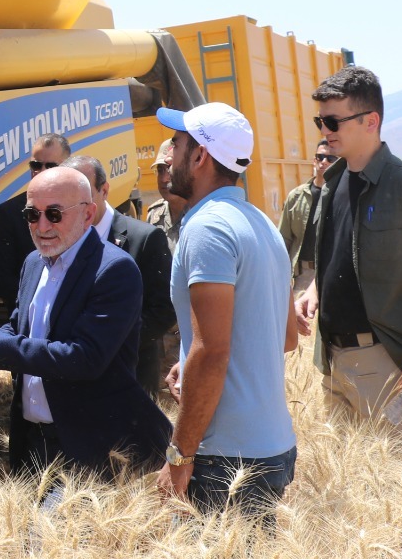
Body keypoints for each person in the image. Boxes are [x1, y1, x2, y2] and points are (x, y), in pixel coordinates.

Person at [0, 168, 171, 478]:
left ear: (88, 213)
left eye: (54, 214)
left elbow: (84, 358)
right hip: (32, 445)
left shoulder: (114, 270)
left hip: (93, 445)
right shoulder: (32, 263)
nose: (41, 226)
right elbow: (18, 328)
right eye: (32, 214)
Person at [296, 66, 402, 440]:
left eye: (333, 122)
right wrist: (313, 292)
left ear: (370, 121)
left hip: (386, 361)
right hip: (331, 360)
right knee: (346, 490)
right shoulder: (332, 183)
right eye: (319, 121)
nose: (324, 131)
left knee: (395, 486)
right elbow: (341, 256)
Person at [152, 103, 297, 522]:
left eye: (178, 144)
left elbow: (212, 350)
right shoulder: (261, 223)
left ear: (199, 158)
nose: (169, 156)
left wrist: (180, 456)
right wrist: (188, 364)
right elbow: (286, 337)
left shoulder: (206, 228)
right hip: (272, 444)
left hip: (224, 457)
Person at [62, 153, 175, 399]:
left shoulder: (143, 239)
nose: (76, 205)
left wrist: (110, 341)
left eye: (84, 194)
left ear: (104, 190)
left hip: (130, 376)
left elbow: (164, 309)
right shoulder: (60, 241)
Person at [0, 133, 71, 327]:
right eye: (35, 165)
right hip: (26, 322)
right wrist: (41, 297)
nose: (41, 171)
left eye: (50, 166)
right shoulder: (9, 213)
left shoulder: (78, 210)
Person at [279, 140, 334, 303]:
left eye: (331, 158)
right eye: (320, 156)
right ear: (314, 159)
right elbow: (283, 240)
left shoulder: (342, 196)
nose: (324, 162)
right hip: (303, 275)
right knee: (303, 326)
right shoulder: (296, 197)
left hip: (332, 274)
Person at [144, 139, 187, 245]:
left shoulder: (199, 214)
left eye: (170, 169)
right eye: (160, 170)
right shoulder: (155, 215)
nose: (164, 179)